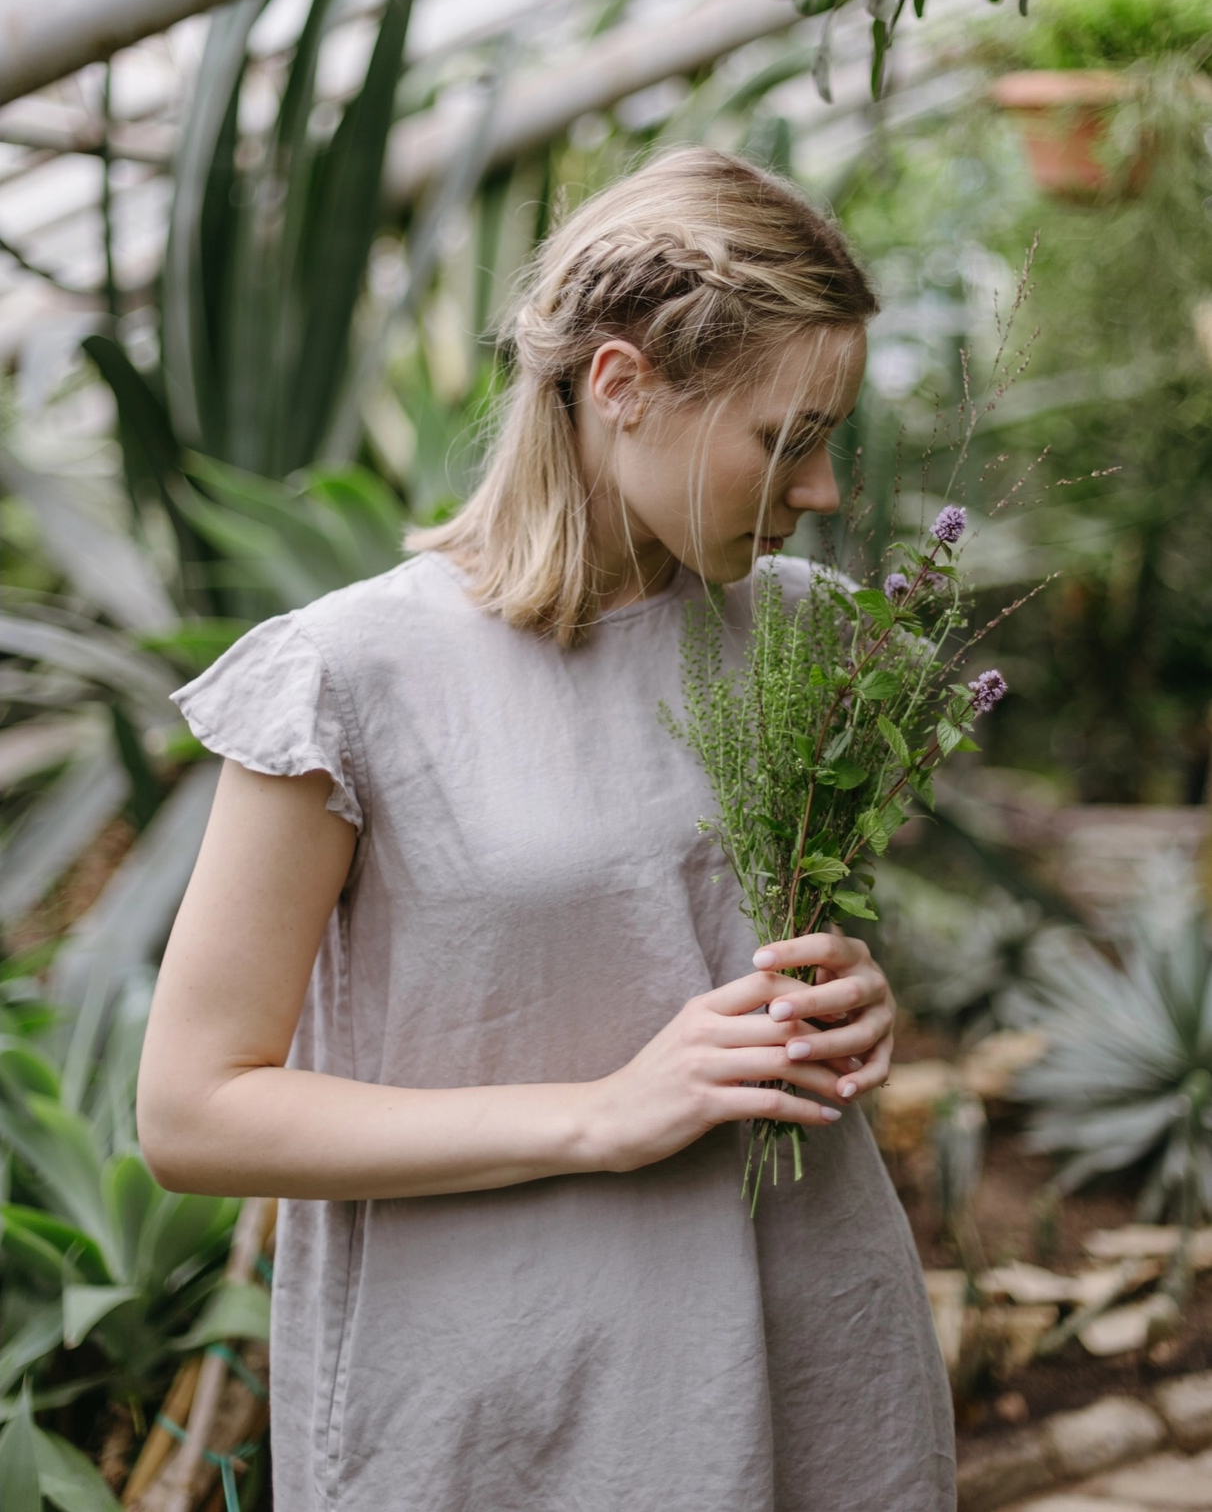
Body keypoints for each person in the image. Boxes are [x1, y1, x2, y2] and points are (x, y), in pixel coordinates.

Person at [138, 147, 955, 1512]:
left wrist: (851, 996)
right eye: (786, 438)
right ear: (622, 385)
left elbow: (724, 944)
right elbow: (192, 1110)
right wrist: (601, 1115)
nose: (817, 489)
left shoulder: (807, 628)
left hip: (804, 1333)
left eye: (830, 439)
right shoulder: (347, 677)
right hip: (505, 1394)